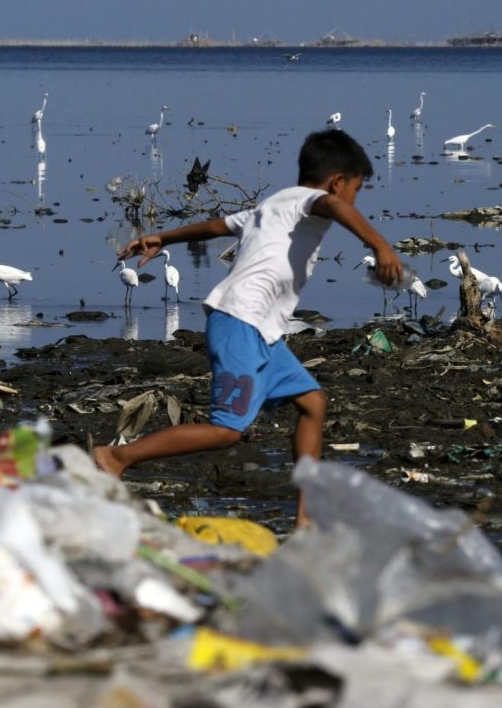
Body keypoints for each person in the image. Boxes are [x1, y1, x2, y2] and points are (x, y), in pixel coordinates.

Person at [93, 130, 404, 527]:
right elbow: (331, 205)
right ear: (337, 181)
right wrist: (380, 246)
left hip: (262, 331)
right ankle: (116, 457)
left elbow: (216, 227)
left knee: (312, 403)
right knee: (226, 431)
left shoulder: (275, 205)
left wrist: (161, 237)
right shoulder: (315, 201)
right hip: (241, 321)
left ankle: (305, 519)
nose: (355, 200)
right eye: (356, 189)